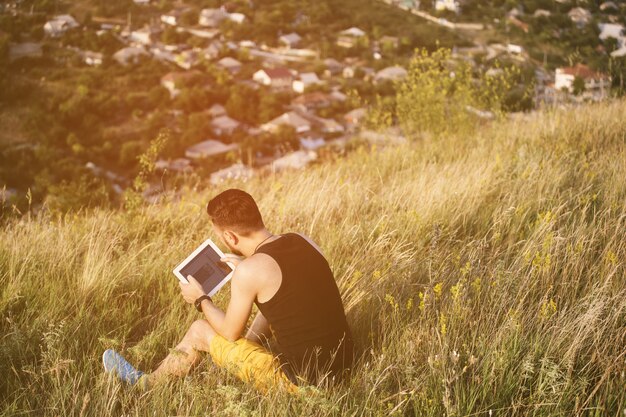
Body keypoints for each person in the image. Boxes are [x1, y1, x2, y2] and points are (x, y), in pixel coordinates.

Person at [102, 188, 354, 393]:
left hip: (306, 385)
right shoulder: (302, 240)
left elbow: (230, 333)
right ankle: (241, 355)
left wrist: (200, 299)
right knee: (261, 316)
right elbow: (287, 295)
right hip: (344, 368)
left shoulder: (251, 271)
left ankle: (146, 385)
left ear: (231, 237)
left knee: (199, 330)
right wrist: (248, 267)